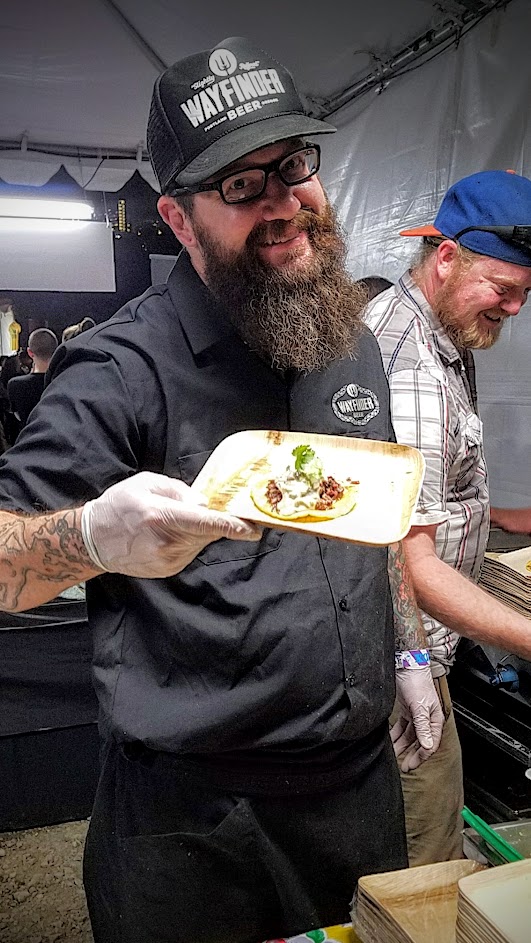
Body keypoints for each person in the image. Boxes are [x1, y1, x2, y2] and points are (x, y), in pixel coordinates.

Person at [0, 36, 444, 943]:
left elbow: (378, 520)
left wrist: (406, 654)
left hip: (358, 794)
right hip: (194, 822)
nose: (282, 203)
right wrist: (87, 537)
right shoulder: (118, 367)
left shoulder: (346, 335)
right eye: (240, 186)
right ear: (175, 214)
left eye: (294, 166)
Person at [364, 169, 531, 867]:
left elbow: (435, 492)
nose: (514, 309)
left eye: (524, 294)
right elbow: (410, 562)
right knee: (422, 858)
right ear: (444, 256)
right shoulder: (408, 364)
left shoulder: (439, 330)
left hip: (417, 647)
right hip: (401, 657)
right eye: (502, 288)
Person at [7, 328, 58, 431]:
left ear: (30, 353)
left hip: (29, 442)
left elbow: (16, 418)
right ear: (56, 350)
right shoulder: (65, 381)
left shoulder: (15, 385)